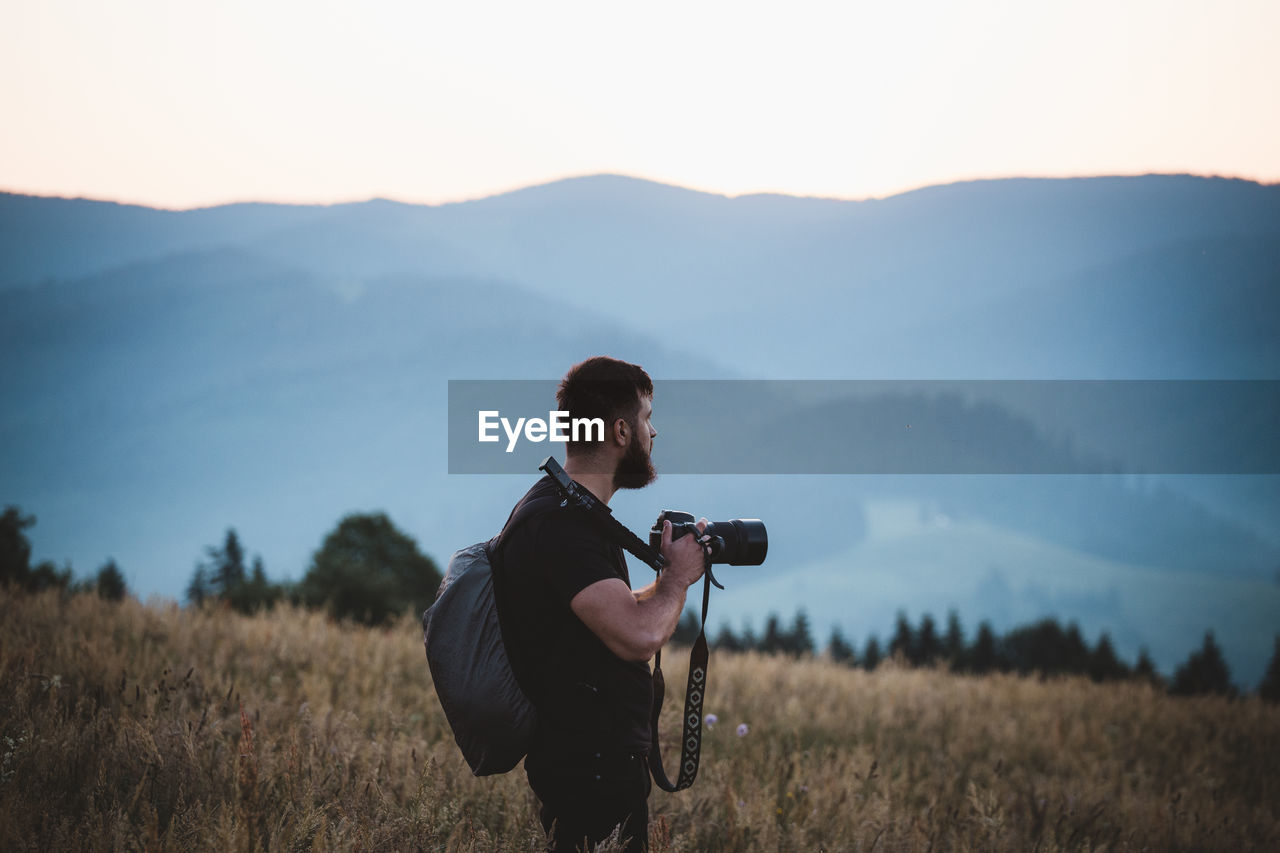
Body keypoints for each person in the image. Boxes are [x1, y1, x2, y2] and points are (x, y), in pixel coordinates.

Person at [493, 356, 708, 852]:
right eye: (647, 418)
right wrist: (676, 581)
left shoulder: (569, 513)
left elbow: (600, 612)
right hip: (589, 767)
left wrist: (665, 581)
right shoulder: (564, 525)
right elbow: (637, 636)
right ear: (619, 431)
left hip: (590, 760)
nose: (654, 432)